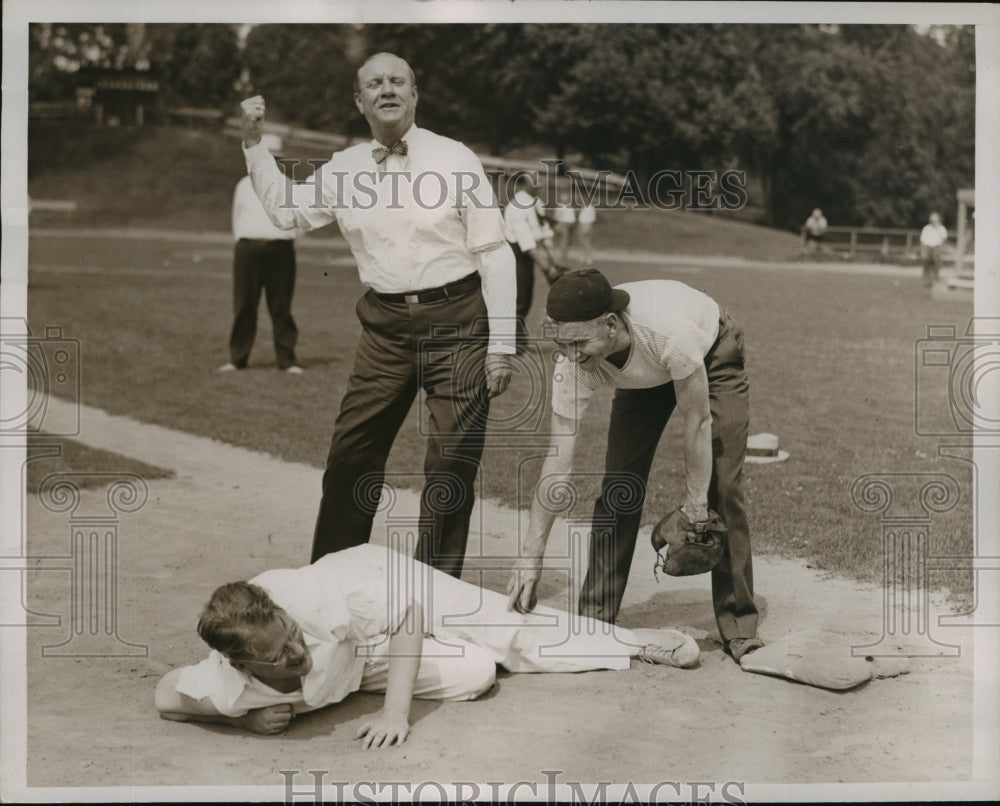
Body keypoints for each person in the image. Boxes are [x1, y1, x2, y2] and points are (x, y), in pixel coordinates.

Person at [239, 53, 516, 576]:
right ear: (359, 100)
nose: (387, 89)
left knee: (451, 466)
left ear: (415, 95)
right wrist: (254, 143)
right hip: (384, 331)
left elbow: (494, 253)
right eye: (374, 83)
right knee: (350, 456)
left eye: (397, 81)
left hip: (458, 324)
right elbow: (286, 212)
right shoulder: (343, 168)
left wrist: (501, 346)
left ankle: (432, 592)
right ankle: (331, 583)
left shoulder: (456, 158)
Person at [154, 543, 700, 746]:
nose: (296, 652)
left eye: (292, 636)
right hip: (360, 659)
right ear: (243, 663)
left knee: (495, 625)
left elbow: (410, 616)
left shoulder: (312, 602)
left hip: (377, 587)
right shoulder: (230, 686)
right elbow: (165, 696)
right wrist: (239, 723)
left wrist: (396, 712)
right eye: (279, 655)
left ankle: (631, 644)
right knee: (476, 674)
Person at [506, 269, 764, 663]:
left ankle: (740, 628)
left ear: (610, 324)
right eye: (562, 344)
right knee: (619, 490)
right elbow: (557, 461)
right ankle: (595, 622)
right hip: (641, 375)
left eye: (579, 343)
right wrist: (531, 554)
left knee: (722, 489)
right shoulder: (575, 362)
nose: (572, 356)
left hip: (709, 351)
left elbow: (696, 422)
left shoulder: (670, 334)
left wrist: (696, 505)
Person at [219, 134, 305, 375]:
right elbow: (237, 218)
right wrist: (247, 243)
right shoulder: (244, 185)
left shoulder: (289, 184)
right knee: (244, 304)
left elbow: (297, 221)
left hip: (280, 251)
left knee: (281, 306)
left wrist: (284, 244)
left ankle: (287, 360)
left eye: (275, 158)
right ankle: (238, 358)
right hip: (248, 251)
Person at [503, 173, 559, 352]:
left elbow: (541, 233)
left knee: (526, 299)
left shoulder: (535, 203)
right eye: (535, 183)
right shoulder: (518, 205)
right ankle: (514, 344)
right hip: (516, 254)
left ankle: (517, 342)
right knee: (519, 300)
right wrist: (547, 267)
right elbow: (526, 242)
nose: (539, 186)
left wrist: (552, 261)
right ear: (525, 184)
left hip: (528, 254)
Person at [919, 212, 948, 288]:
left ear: (938, 220)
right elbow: (923, 240)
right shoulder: (926, 228)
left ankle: (936, 279)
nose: (934, 221)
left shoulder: (942, 228)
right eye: (932, 220)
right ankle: (927, 281)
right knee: (926, 261)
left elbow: (943, 239)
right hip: (927, 246)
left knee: (936, 262)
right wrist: (923, 251)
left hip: (937, 246)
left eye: (935, 220)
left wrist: (940, 249)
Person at [549, 189, 577, 265]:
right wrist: (557, 225)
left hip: (568, 225)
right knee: (563, 241)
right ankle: (560, 257)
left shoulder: (568, 206)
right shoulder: (560, 207)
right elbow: (556, 217)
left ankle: (562, 256)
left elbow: (572, 217)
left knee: (565, 242)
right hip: (563, 225)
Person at [575, 200, 597, 265]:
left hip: (586, 224)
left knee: (585, 241)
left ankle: (589, 256)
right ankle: (584, 256)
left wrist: (589, 226)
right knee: (584, 241)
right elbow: (580, 217)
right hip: (582, 224)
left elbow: (592, 218)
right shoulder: (583, 208)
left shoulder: (590, 208)